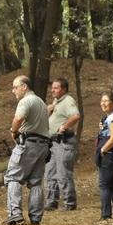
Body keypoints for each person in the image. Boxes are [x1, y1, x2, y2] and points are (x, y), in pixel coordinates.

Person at [3, 75, 51, 225]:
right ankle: (36, 217)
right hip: (43, 146)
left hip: (28, 144)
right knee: (35, 182)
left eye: (15, 87)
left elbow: (18, 119)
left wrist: (14, 131)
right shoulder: (41, 102)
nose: (13, 91)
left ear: (24, 87)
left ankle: (15, 213)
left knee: (13, 178)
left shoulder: (26, 101)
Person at [45, 78, 80, 211]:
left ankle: (70, 204)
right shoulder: (57, 101)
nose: (52, 90)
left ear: (64, 90)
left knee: (63, 174)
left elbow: (76, 116)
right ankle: (51, 202)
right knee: (50, 174)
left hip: (63, 142)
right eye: (52, 87)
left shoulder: (68, 100)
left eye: (56, 88)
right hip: (52, 143)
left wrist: (64, 127)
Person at [95, 92, 113, 221]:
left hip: (109, 155)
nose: (103, 103)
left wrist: (102, 150)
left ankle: (106, 215)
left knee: (104, 185)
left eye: (106, 101)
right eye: (102, 101)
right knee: (112, 185)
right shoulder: (112, 118)